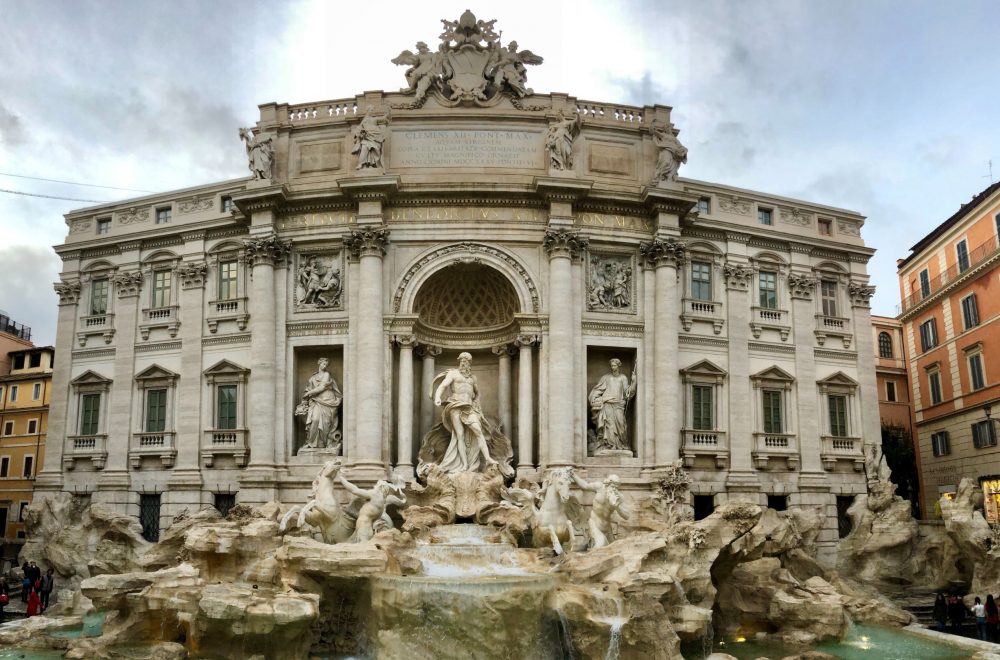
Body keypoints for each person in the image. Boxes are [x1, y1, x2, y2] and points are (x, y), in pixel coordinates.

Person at [433, 352, 499, 473]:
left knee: (478, 431)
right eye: (462, 361)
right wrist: (438, 397)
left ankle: (488, 458)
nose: (463, 363)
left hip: (469, 407)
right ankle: (464, 465)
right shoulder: (453, 374)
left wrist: (477, 403)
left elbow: (477, 393)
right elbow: (443, 386)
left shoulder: (473, 378)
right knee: (460, 435)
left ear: (469, 363)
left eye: (466, 361)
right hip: (455, 405)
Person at [588, 359, 637, 452]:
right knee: (609, 425)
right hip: (607, 404)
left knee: (621, 425)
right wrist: (596, 399)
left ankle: (621, 445)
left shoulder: (623, 378)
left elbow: (628, 393)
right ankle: (610, 446)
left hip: (619, 405)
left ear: (619, 366)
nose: (613, 367)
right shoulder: (606, 378)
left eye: (614, 365)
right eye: (611, 366)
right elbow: (597, 391)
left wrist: (634, 382)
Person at [298, 358, 343, 451]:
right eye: (323, 364)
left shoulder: (327, 375)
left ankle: (323, 444)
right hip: (316, 401)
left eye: (326, 365)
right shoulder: (312, 378)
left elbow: (322, 387)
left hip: (328, 401)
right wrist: (305, 399)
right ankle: (310, 443)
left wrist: (309, 393)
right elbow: (308, 389)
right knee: (315, 419)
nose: (325, 366)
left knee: (326, 424)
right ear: (319, 364)